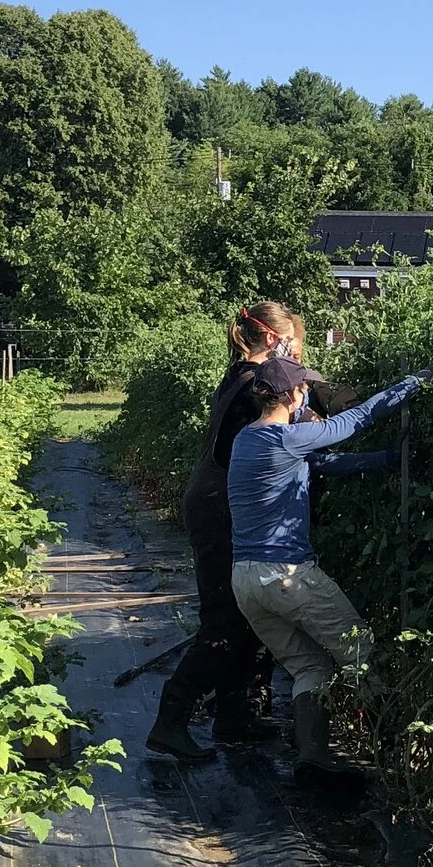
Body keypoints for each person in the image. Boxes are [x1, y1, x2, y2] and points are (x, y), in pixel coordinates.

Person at [227, 350, 433, 776]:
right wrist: (418, 380)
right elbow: (357, 419)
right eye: (305, 387)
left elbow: (323, 464)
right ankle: (398, 755)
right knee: (361, 651)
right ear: (294, 394)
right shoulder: (285, 438)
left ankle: (312, 757)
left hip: (246, 580)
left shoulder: (247, 439)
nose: (308, 392)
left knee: (310, 666)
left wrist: (388, 459)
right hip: (287, 575)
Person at [144, 302, 306, 763]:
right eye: (292, 341)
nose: (296, 354)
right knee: (226, 619)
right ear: (275, 341)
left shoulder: (241, 376)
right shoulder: (257, 385)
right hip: (219, 511)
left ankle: (236, 714)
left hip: (215, 502)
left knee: (249, 611)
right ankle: (169, 721)